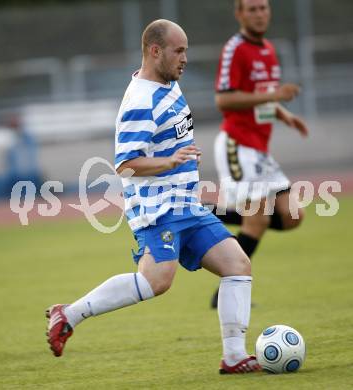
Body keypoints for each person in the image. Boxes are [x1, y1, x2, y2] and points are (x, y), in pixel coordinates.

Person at [46, 19, 261, 374]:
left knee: (237, 265)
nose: (185, 58)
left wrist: (180, 155)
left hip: (186, 204)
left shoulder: (169, 84)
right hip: (157, 210)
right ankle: (68, 314)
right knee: (155, 282)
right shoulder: (139, 101)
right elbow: (126, 165)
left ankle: (235, 356)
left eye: (187, 51)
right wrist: (169, 161)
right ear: (155, 51)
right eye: (179, 51)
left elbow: (170, 136)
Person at [209, 0, 309, 308]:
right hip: (238, 145)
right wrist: (274, 96)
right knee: (257, 220)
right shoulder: (234, 49)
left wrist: (281, 113)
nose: (259, 13)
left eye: (263, 7)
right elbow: (223, 100)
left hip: (260, 149)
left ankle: (206, 212)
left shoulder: (268, 49)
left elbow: (261, 95)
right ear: (239, 13)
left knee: (292, 216)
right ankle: (224, 296)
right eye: (251, 8)